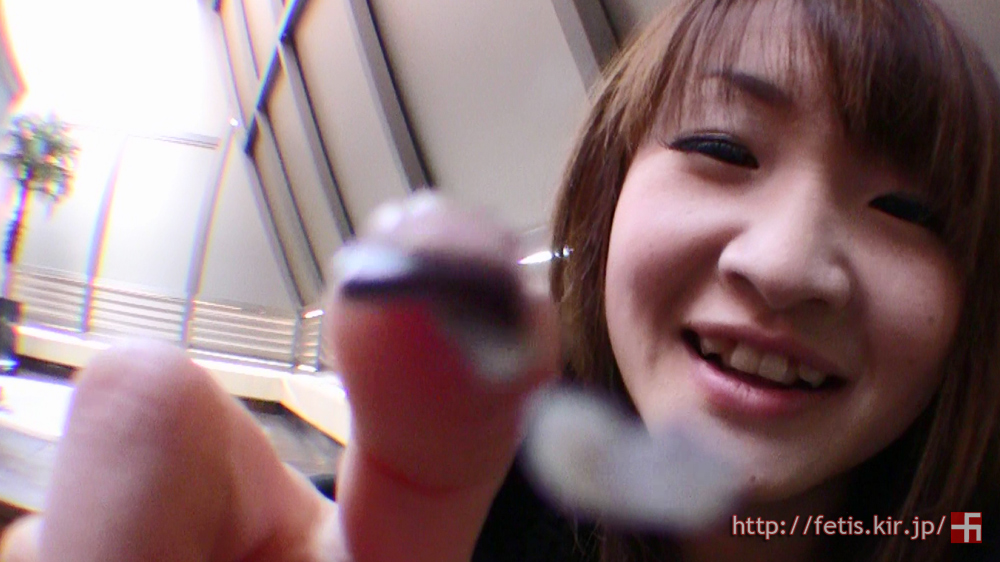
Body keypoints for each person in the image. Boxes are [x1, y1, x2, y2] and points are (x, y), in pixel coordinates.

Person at [2, 0, 999, 560]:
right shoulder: (442, 508)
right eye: (721, 148)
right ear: (605, 199)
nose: (782, 266)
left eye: (910, 212)